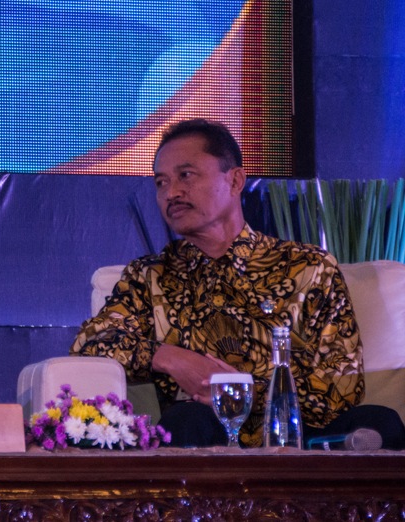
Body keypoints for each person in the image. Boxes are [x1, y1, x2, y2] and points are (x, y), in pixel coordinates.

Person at [70, 118, 405, 448]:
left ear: (235, 181)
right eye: (160, 182)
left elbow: (341, 387)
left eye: (185, 175)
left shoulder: (308, 268)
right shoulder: (151, 276)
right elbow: (90, 342)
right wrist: (170, 358)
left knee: (381, 422)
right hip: (203, 435)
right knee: (184, 422)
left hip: (304, 436)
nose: (171, 192)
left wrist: (239, 390)